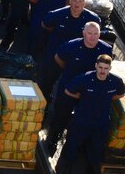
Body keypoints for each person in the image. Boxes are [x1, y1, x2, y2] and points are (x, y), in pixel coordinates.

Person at [55, 55, 125, 174]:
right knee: (72, 144)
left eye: (106, 68)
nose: (103, 71)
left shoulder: (115, 81)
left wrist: (107, 98)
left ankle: (93, 169)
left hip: (101, 121)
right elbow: (68, 90)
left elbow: (121, 93)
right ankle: (64, 169)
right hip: (82, 119)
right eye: (100, 67)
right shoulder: (84, 79)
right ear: (96, 66)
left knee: (97, 146)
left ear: (110, 68)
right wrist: (81, 96)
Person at [45, 22, 113, 153]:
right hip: (69, 85)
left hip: (90, 88)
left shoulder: (105, 49)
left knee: (86, 115)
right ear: (83, 33)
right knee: (61, 113)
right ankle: (54, 137)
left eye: (96, 34)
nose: (92, 37)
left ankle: (79, 141)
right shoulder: (72, 46)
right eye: (89, 33)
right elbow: (58, 58)